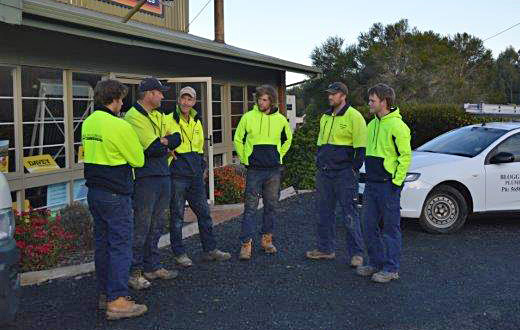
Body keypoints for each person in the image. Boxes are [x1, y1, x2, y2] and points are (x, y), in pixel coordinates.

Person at [82, 79, 147, 320]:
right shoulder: (120, 127)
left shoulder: (88, 123)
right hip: (116, 194)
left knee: (103, 244)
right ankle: (118, 300)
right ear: (116, 100)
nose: (122, 103)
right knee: (120, 245)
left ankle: (105, 294)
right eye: (121, 99)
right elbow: (138, 160)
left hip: (95, 193)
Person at [124, 78, 181, 290]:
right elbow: (152, 148)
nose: (163, 96)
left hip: (162, 174)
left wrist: (165, 142)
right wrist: (165, 143)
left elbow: (177, 137)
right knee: (142, 225)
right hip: (144, 178)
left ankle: (152, 266)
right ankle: (134, 272)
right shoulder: (133, 116)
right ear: (148, 94)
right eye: (160, 93)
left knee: (157, 224)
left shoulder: (157, 115)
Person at [305, 82, 366, 267]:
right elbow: (320, 144)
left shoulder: (355, 117)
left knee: (349, 214)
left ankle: (357, 254)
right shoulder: (325, 117)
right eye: (329, 94)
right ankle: (325, 249)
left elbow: (360, 149)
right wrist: (319, 162)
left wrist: (351, 169)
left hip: (344, 175)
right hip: (324, 173)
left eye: (334, 94)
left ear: (343, 95)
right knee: (324, 213)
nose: (330, 97)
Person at [168, 86, 230, 267]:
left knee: (204, 213)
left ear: (194, 102)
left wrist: (202, 165)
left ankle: (210, 250)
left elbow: (199, 145)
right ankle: (179, 254)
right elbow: (159, 139)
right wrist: (166, 149)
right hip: (178, 175)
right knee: (177, 216)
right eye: (183, 98)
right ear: (179, 100)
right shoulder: (168, 119)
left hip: (194, 175)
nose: (186, 102)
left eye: (190, 99)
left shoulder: (196, 120)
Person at [356, 83, 411, 283]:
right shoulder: (371, 125)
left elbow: (405, 156)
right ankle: (375, 263)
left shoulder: (398, 126)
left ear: (384, 102)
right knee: (368, 225)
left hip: (388, 185)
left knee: (390, 228)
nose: (369, 103)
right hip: (371, 184)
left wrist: (396, 183)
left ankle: (391, 268)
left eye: (372, 100)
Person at [233, 84, 293, 260]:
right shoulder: (248, 117)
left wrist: (279, 156)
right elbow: (238, 138)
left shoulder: (281, 120)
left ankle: (267, 240)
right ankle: (246, 244)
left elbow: (288, 139)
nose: (261, 102)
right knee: (250, 208)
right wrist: (246, 159)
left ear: (272, 101)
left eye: (265, 99)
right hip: (255, 171)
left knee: (271, 207)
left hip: (273, 171)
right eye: (259, 99)